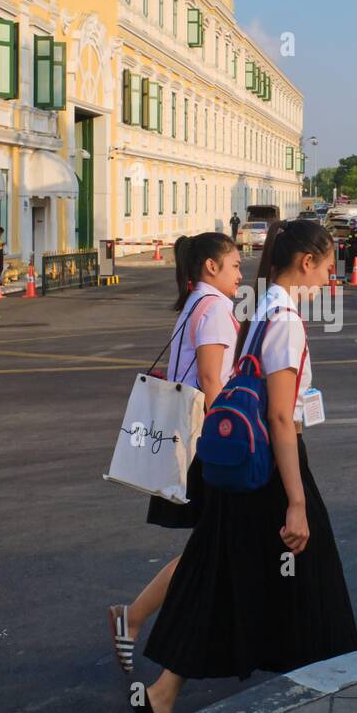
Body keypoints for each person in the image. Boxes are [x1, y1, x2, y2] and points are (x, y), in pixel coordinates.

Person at [138, 219, 357, 713]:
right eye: (328, 268)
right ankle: (332, 691)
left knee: (237, 577)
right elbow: (282, 417)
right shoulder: (285, 322)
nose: (330, 280)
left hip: (245, 466)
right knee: (311, 574)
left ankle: (164, 692)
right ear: (306, 263)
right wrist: (297, 500)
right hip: (272, 467)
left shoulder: (261, 311)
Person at [107, 232, 242, 678]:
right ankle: (144, 624)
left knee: (214, 545)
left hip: (187, 438)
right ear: (211, 267)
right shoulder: (218, 308)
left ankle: (144, 621)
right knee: (214, 546)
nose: (242, 274)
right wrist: (234, 435)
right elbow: (210, 379)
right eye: (236, 265)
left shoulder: (194, 305)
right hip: (206, 443)